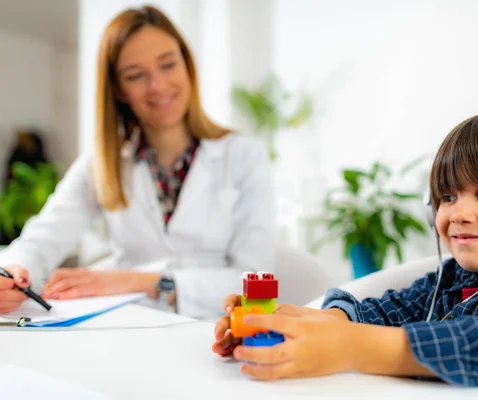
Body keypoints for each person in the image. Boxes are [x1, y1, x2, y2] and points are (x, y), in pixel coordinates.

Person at [212, 113, 478, 399]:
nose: (456, 213)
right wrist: (299, 326)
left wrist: (357, 346)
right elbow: (382, 312)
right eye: (447, 197)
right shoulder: (452, 279)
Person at [0, 5, 275, 318]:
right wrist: (12, 275)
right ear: (118, 90)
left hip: (215, 329)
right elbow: (40, 240)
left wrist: (144, 281)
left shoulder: (244, 156)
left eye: (167, 65)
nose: (157, 86)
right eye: (136, 75)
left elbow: (257, 280)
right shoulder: (104, 162)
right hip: (128, 325)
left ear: (187, 66)